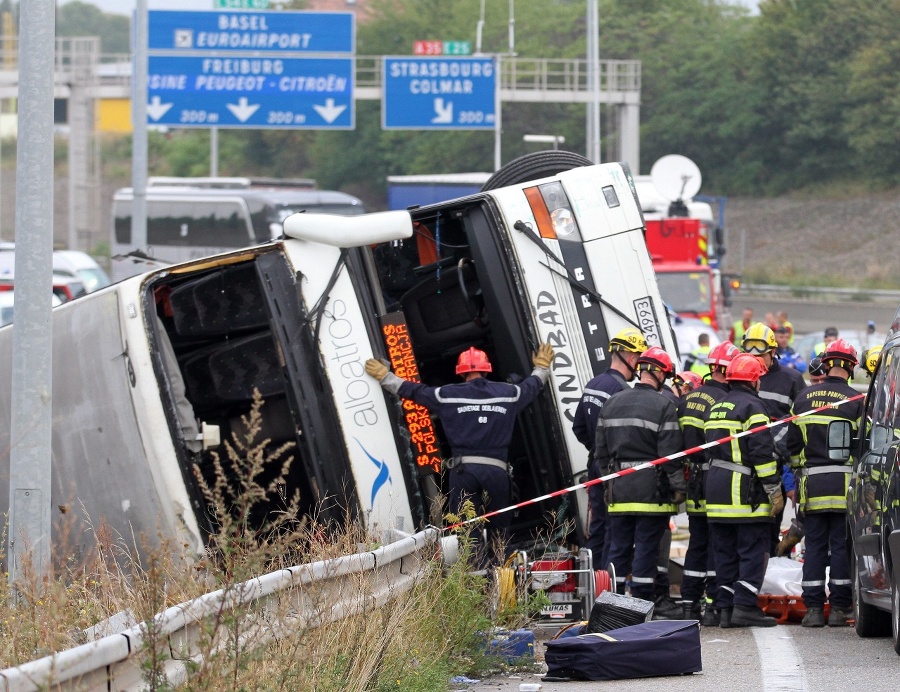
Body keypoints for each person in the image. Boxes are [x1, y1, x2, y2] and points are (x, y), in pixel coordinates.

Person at [365, 342, 554, 569]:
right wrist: (542, 367)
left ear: (461, 371)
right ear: (486, 369)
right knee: (499, 530)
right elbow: (532, 386)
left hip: (464, 473)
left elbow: (413, 391)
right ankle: (500, 576)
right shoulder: (509, 393)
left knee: (467, 531)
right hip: (497, 473)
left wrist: (385, 376)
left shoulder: (447, 395)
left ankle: (476, 577)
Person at [594, 346, 686, 617]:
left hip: (619, 491)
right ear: (659, 374)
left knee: (618, 548)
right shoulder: (664, 405)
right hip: (651, 494)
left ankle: (612, 608)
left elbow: (600, 452)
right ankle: (643, 606)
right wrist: (679, 487)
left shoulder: (612, 402)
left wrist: (608, 483)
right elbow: (670, 455)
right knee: (646, 548)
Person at [787, 339, 864, 627]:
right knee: (842, 546)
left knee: (815, 547)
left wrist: (800, 474)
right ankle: (841, 609)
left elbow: (792, 447)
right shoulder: (857, 401)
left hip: (812, 488)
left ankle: (814, 610)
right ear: (851, 366)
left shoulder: (804, 399)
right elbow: (863, 448)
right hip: (845, 488)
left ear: (827, 362)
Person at [704, 353, 783, 628]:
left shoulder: (716, 407)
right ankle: (745, 606)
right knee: (752, 550)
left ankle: (725, 609)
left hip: (715, 493)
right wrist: (774, 490)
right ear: (754, 380)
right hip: (744, 494)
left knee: (724, 553)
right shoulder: (754, 408)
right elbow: (761, 453)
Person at [572, 328, 648, 570]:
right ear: (632, 357)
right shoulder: (623, 393)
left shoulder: (593, 384)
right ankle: (606, 585)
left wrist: (594, 449)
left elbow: (579, 428)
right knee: (615, 529)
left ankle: (591, 581)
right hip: (611, 470)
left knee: (597, 527)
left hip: (595, 464)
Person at [677, 340, 740, 624]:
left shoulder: (687, 399)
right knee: (719, 544)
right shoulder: (724, 403)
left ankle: (689, 604)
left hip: (692, 481)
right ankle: (715, 607)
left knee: (697, 543)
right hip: (715, 479)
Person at [742, 322, 804, 550]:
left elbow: (800, 426)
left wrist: (792, 474)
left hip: (777, 468)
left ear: (773, 352)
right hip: (744, 466)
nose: (755, 362)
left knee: (769, 529)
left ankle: (770, 568)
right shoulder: (738, 377)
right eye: (749, 355)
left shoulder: (791, 379)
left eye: (761, 356)